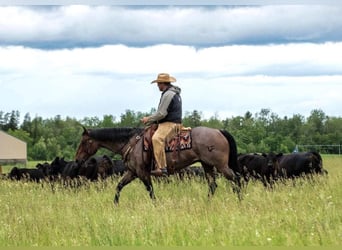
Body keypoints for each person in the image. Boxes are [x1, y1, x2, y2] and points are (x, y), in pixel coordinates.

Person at [141, 73, 182, 176]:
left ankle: (162, 167)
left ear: (163, 83)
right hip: (173, 122)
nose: (157, 86)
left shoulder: (168, 94)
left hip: (169, 124)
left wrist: (148, 119)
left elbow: (162, 113)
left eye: (158, 83)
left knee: (157, 139)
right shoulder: (173, 93)